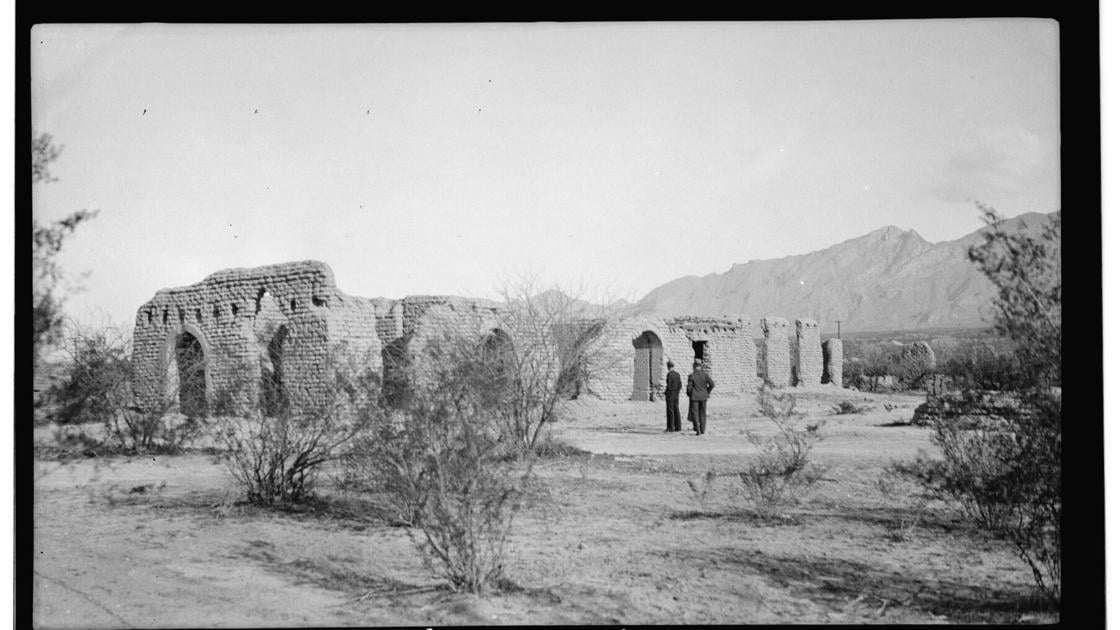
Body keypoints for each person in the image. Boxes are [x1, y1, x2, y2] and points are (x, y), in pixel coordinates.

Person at [686, 358, 715, 435]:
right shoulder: (705, 375)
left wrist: (689, 394)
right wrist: (707, 391)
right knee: (703, 413)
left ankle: (697, 430)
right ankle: (702, 430)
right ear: (700, 366)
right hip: (703, 397)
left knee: (695, 414)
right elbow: (712, 384)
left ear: (694, 366)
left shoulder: (692, 376)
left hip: (695, 397)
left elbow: (689, 388)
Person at [663, 360, 682, 432]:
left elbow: (669, 385)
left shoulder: (669, 375)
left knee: (670, 410)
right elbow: (680, 385)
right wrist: (677, 392)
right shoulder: (677, 374)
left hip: (670, 395)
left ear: (668, 367)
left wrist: (667, 393)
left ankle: (670, 427)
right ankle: (678, 427)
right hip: (676, 394)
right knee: (676, 409)